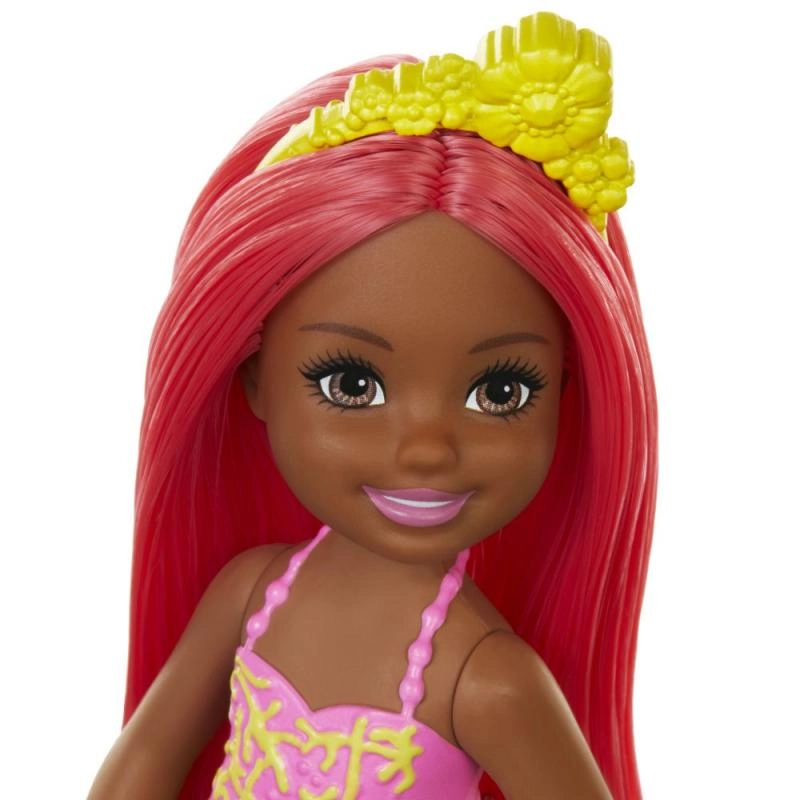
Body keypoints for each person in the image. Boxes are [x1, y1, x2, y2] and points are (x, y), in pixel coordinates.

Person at [89, 12, 656, 800]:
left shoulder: (487, 680)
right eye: (351, 385)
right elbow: (144, 758)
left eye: (500, 392)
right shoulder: (250, 596)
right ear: (254, 378)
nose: (426, 449)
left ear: (568, 394)